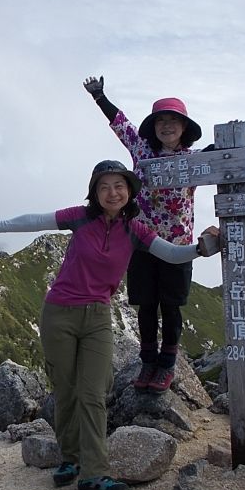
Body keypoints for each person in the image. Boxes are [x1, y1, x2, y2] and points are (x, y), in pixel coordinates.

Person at [0, 160, 220, 490]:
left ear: (129, 192)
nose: (112, 192)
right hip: (58, 313)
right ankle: (71, 458)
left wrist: (201, 249)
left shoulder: (135, 230)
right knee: (65, 391)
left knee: (93, 394)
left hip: (97, 318)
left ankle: (93, 475)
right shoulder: (80, 217)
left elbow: (170, 254)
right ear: (94, 192)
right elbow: (37, 220)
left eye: (119, 186)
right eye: (104, 186)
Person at [83, 76, 211, 392]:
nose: (166, 126)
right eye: (161, 121)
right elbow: (121, 124)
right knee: (146, 305)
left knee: (170, 306)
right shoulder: (142, 151)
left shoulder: (194, 162)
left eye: (173, 121)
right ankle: (148, 362)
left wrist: (234, 136)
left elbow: (224, 157)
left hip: (177, 247)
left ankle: (166, 366)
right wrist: (100, 96)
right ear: (153, 127)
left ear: (183, 128)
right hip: (140, 244)